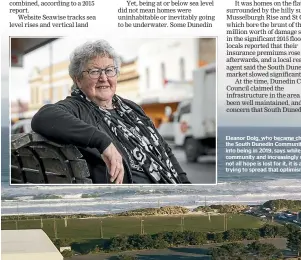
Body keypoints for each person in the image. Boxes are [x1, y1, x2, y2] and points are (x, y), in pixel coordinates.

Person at [31, 39, 190, 184]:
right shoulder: (77, 107)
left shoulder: (131, 108)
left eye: (109, 70)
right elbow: (43, 117)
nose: (103, 78)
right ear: (78, 79)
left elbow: (164, 149)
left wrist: (186, 185)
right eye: (94, 71)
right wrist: (102, 141)